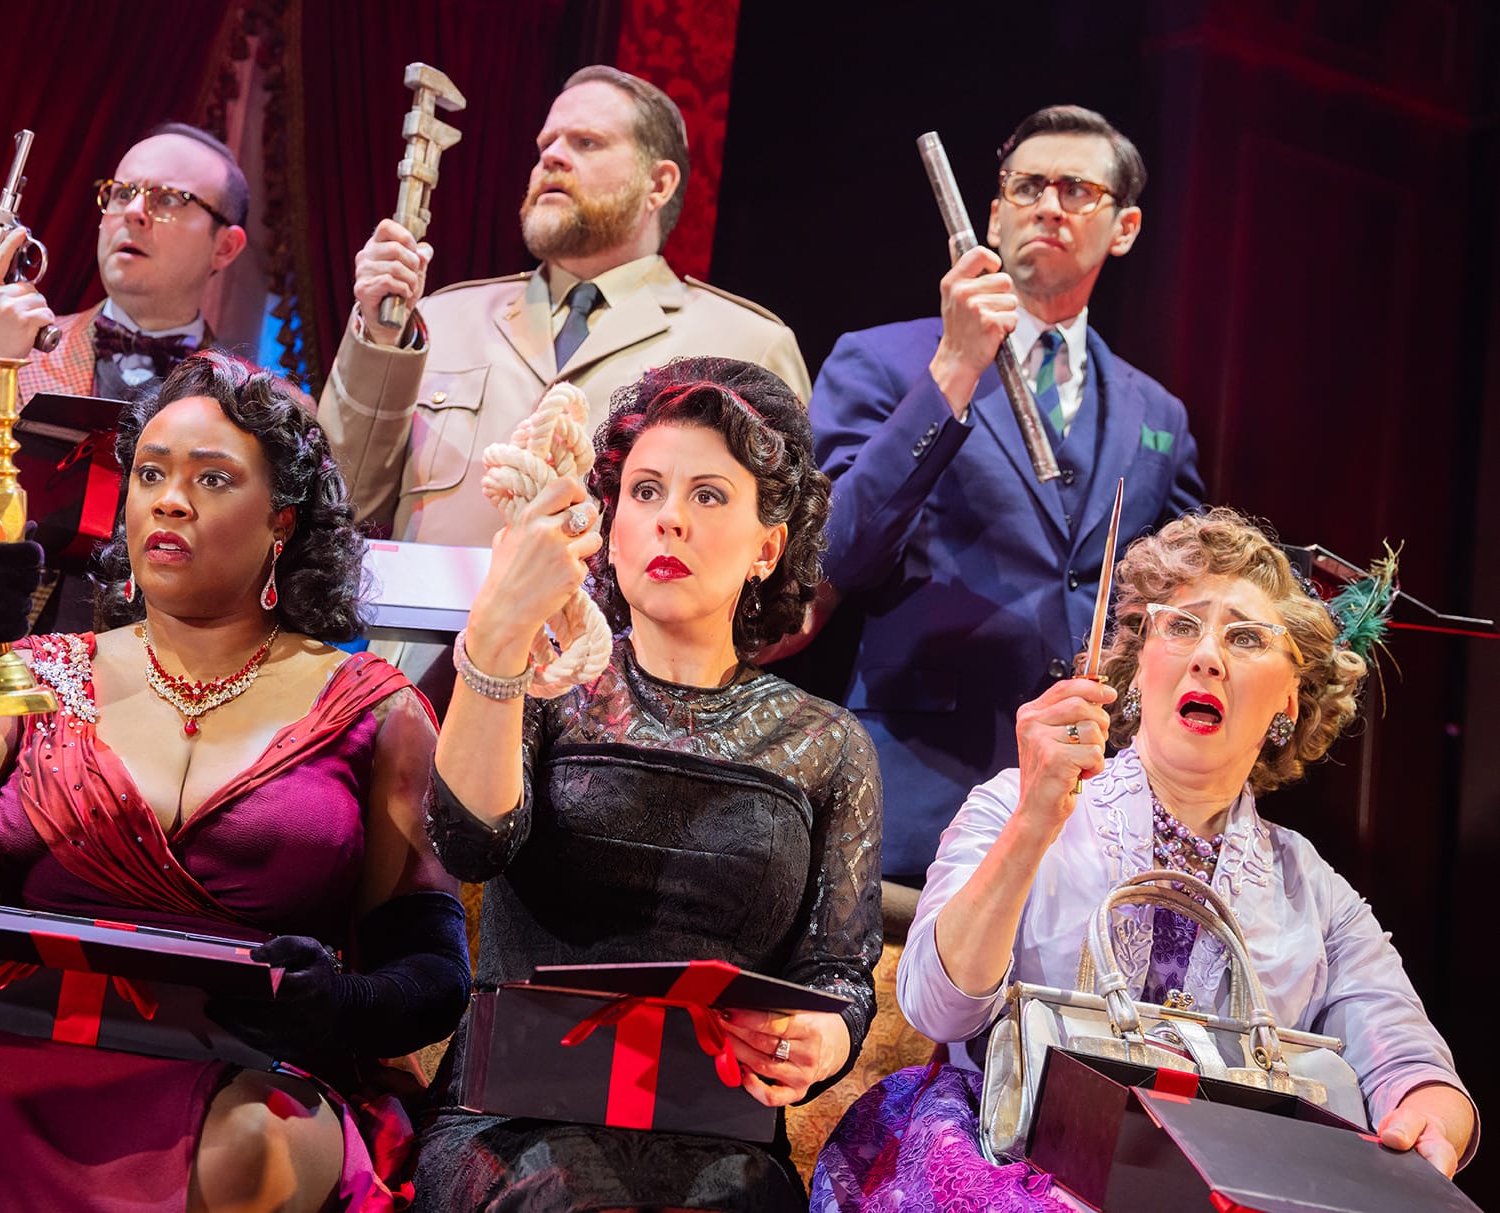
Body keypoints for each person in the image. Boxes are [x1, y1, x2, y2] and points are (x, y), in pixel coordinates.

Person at [0, 352, 469, 1212]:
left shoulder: (375, 710)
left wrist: (341, 1003)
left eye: (212, 477)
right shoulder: (39, 675)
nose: (167, 498)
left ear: (282, 518)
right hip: (11, 1046)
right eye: (151, 472)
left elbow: (433, 967)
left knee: (254, 1149)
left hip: (247, 1077)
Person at [813, 509, 1477, 1212]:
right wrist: (1034, 822)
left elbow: (1405, 1055)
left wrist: (1428, 1118)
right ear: (1135, 667)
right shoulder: (1013, 804)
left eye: (1246, 636)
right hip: (1016, 1170)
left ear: (1290, 695)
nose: (1208, 655)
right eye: (1182, 625)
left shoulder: (1312, 889)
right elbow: (936, 1006)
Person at [411, 357, 882, 1211]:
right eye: (645, 491)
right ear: (609, 526)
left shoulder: (826, 743)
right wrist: (499, 634)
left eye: (708, 496)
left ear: (768, 547)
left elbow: (840, 973)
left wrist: (828, 1037)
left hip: (720, 1143)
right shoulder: (547, 686)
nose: (670, 520)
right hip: (513, 1125)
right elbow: (469, 840)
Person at [806, 105, 1205, 892]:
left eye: (1076, 189)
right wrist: (954, 366)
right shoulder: (883, 360)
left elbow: (1178, 594)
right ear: (992, 211)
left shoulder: (1157, 414)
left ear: (1123, 227)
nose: (1048, 204)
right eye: (1027, 186)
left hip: (1087, 813)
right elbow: (837, 550)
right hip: (914, 799)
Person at [318, 65, 811, 549]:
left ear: (658, 185)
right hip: (427, 632)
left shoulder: (748, 346)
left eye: (586, 142)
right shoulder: (437, 321)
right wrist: (381, 341)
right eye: (544, 145)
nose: (551, 157)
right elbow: (344, 503)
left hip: (609, 632)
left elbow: (778, 567)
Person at [0, 123, 250, 630]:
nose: (134, 211)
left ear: (226, 247)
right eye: (122, 192)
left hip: (170, 667)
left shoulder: (248, 398)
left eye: (170, 198)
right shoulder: (10, 343)